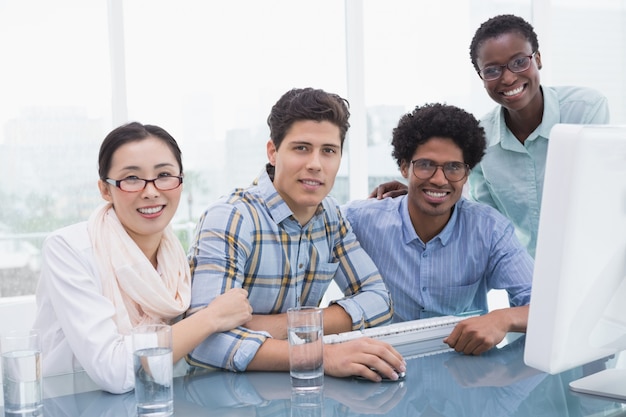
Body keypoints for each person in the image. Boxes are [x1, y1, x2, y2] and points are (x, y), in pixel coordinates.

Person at [186, 87, 405, 382]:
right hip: (225, 394)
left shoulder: (330, 215)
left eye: (328, 150)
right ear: (273, 152)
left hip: (299, 389)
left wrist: (286, 325)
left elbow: (380, 301)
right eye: (301, 148)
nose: (315, 164)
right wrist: (318, 354)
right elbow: (201, 342)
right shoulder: (232, 217)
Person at [33, 122, 253, 394]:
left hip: (155, 400)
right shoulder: (69, 249)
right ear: (105, 189)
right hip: (73, 402)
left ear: (181, 182)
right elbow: (113, 370)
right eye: (132, 179)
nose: (150, 191)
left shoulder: (176, 261)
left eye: (164, 174)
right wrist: (211, 318)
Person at [371, 14, 609, 258]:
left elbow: (601, 194)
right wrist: (416, 194)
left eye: (519, 62)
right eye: (492, 70)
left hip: (593, 261)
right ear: (481, 77)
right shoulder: (480, 138)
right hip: (528, 273)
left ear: (537, 59)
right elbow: (479, 216)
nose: (508, 78)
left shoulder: (585, 109)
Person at [344, 103, 533, 355]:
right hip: (377, 375)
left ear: (466, 174)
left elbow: (544, 309)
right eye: (425, 165)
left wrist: (503, 318)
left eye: (453, 167)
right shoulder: (360, 220)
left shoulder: (489, 229)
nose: (439, 179)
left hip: (461, 375)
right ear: (404, 167)